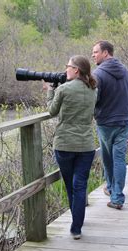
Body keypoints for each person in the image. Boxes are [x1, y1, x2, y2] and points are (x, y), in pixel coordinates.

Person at [44, 55, 98, 239]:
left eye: (68, 66)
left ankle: (76, 223)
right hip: (86, 145)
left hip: (65, 144)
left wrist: (50, 90)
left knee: (70, 186)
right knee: (80, 185)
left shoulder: (64, 89)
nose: (65, 69)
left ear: (76, 70)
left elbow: (51, 111)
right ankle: (76, 227)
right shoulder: (92, 89)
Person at [92, 40, 128, 210]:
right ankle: (115, 194)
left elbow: (94, 99)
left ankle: (112, 190)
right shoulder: (127, 72)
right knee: (119, 159)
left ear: (106, 53)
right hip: (123, 121)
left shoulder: (97, 75)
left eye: (95, 52)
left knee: (108, 159)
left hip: (106, 122)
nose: (93, 55)